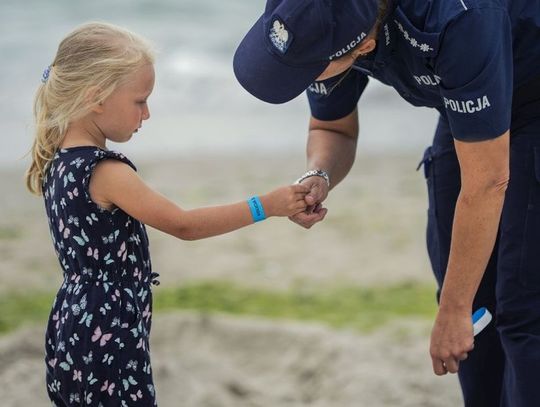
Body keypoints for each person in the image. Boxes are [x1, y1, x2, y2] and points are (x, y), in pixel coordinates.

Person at [233, 0, 540, 405]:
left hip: (532, 91)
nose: (295, 78)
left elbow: (487, 183)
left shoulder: (460, 16)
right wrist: (318, 175)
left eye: (306, 68)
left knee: (521, 308)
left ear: (363, 47)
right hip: (465, 99)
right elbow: (332, 127)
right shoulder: (319, 21)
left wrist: (453, 309)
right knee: (468, 306)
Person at [25, 22, 309, 406]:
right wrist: (266, 206)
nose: (147, 113)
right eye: (140, 100)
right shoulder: (105, 170)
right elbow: (184, 225)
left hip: (70, 324)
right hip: (106, 331)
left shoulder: (59, 162)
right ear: (96, 98)